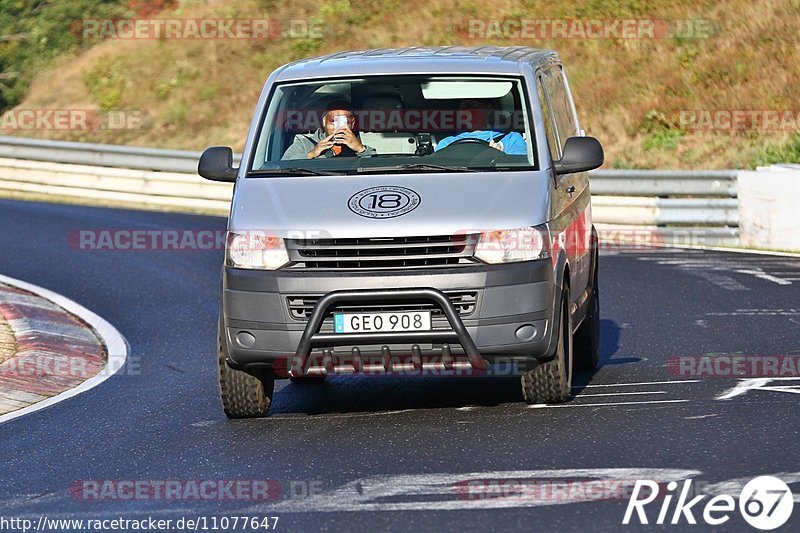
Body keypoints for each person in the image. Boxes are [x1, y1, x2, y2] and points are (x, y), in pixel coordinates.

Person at [282, 100, 376, 160]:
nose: (338, 127)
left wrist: (361, 150)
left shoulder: (362, 145)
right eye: (333, 121)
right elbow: (283, 167)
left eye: (344, 122)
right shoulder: (304, 144)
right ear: (324, 121)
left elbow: (377, 171)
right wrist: (312, 154)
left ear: (353, 123)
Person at [434, 98, 527, 155]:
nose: (467, 111)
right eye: (463, 106)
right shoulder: (446, 144)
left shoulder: (512, 139)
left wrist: (501, 158)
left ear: (488, 109)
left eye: (473, 106)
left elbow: (521, 177)